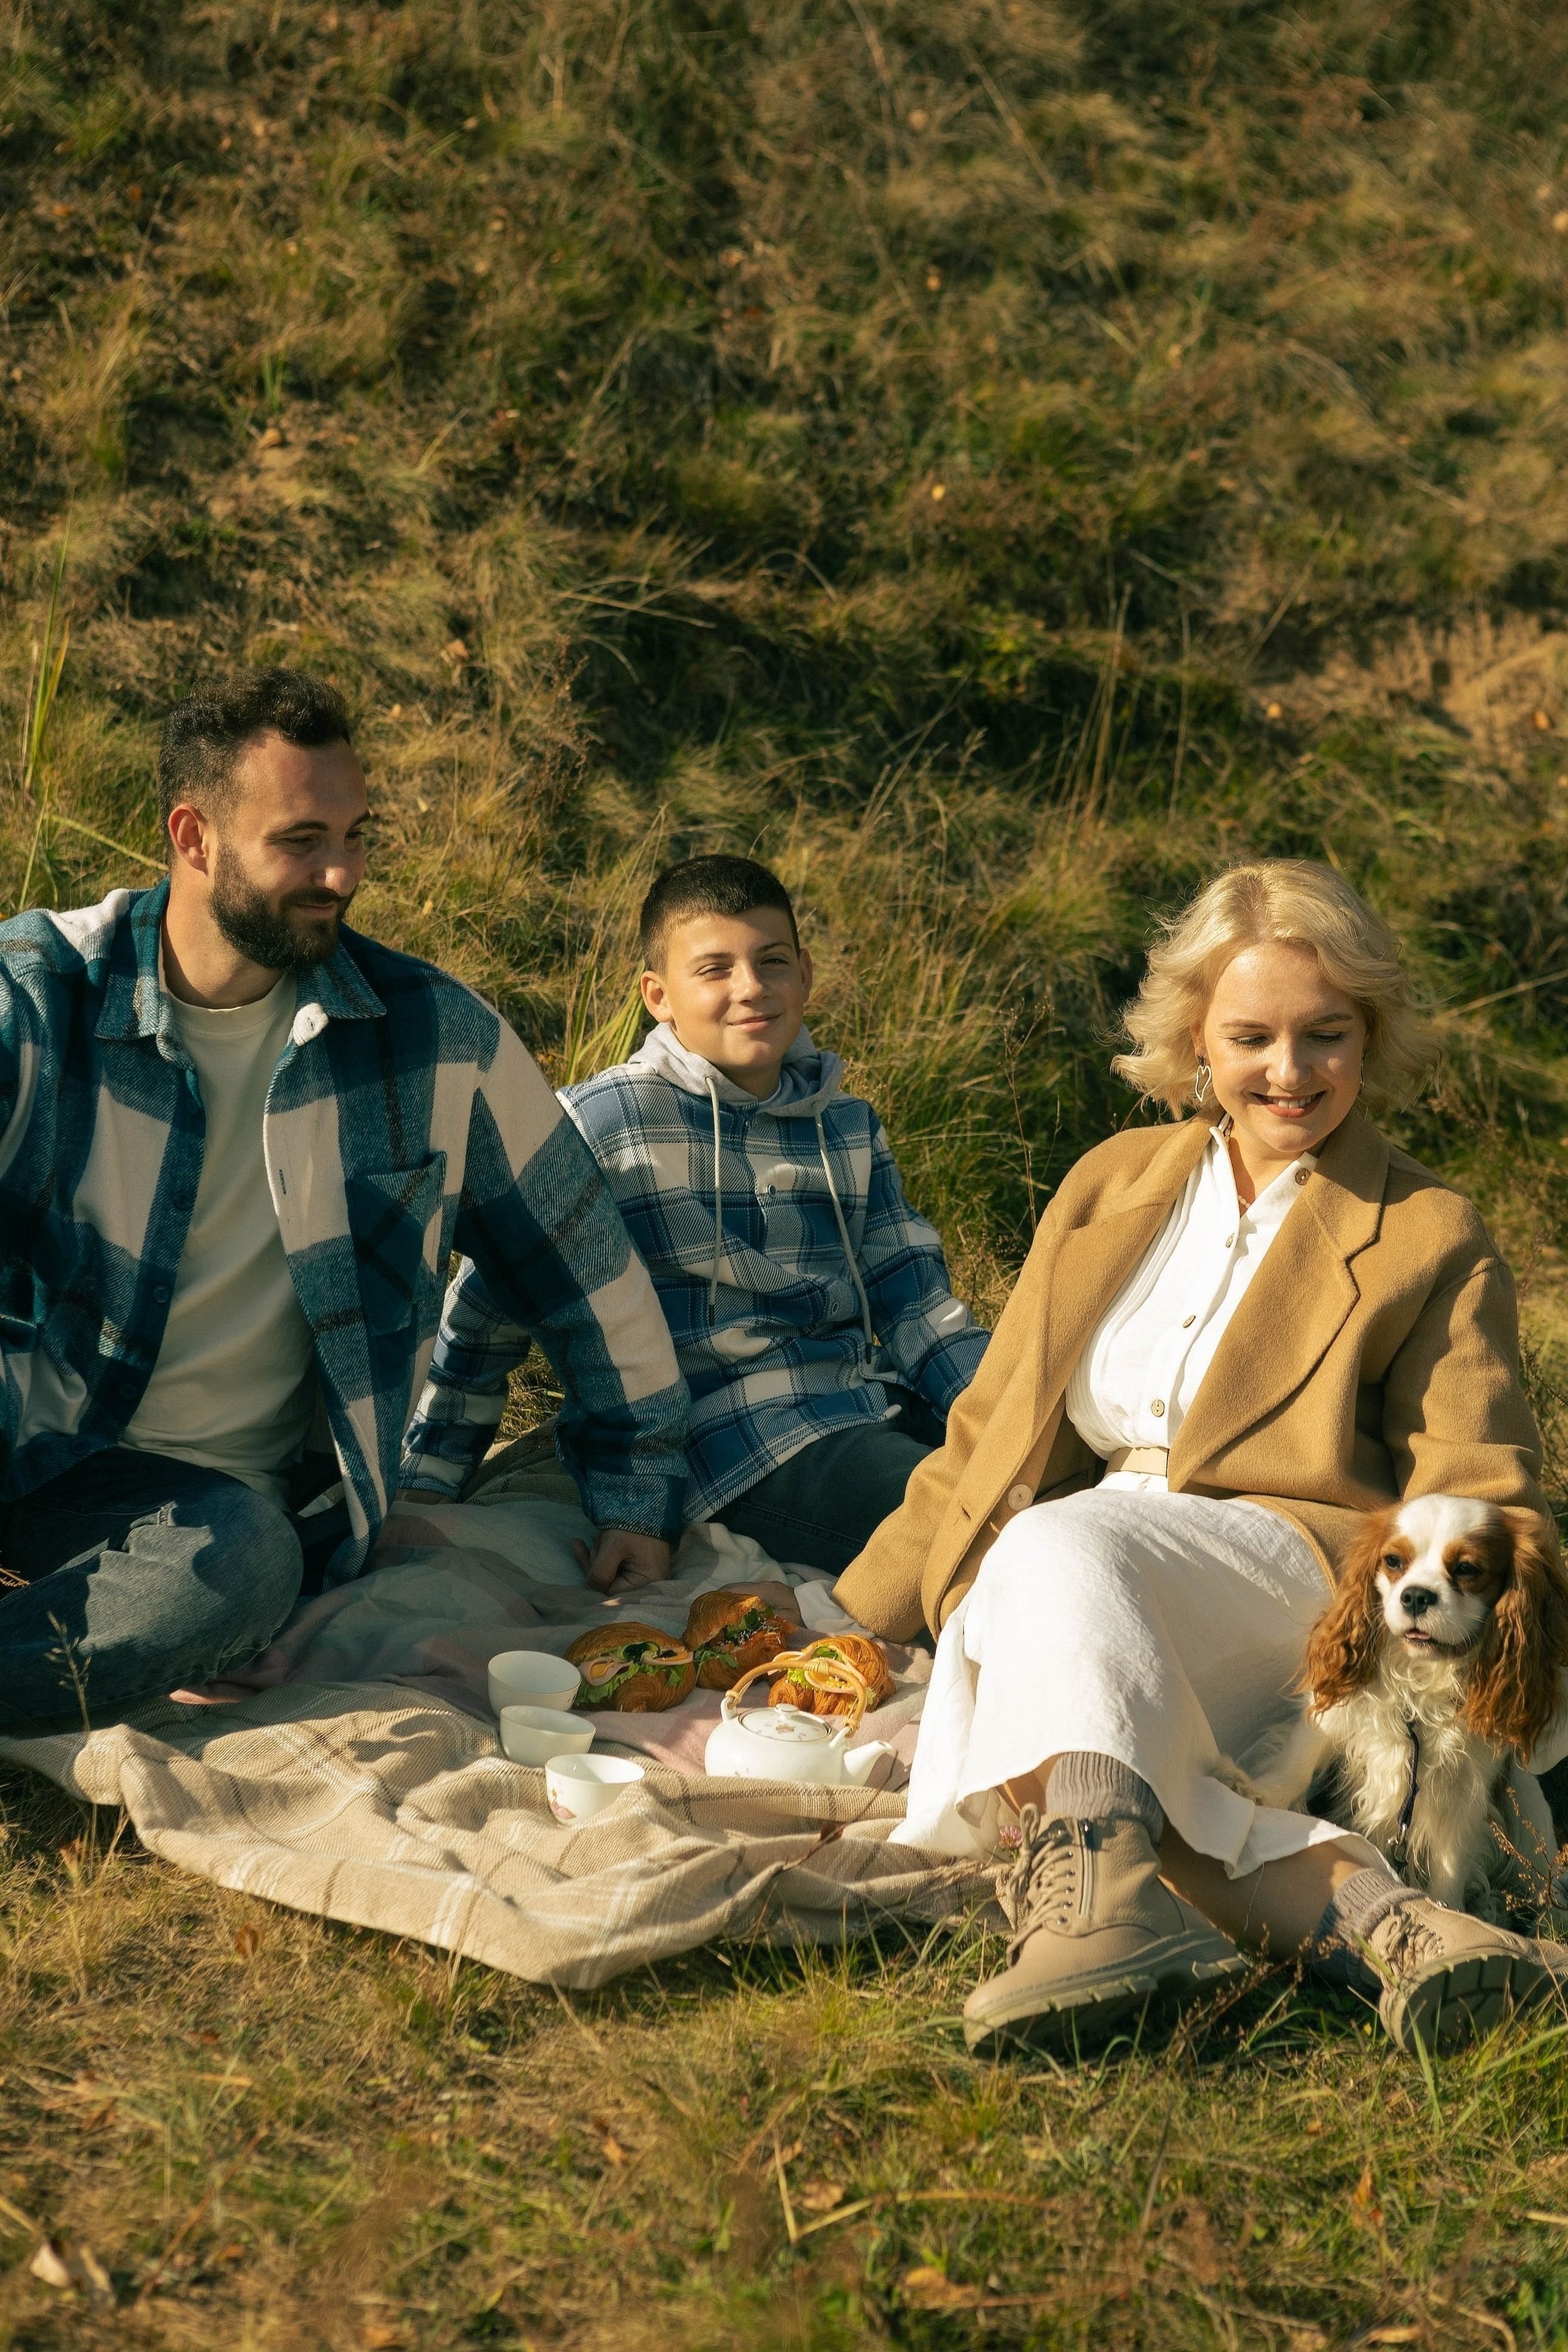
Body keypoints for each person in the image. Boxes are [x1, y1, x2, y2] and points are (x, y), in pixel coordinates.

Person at [835, 859, 1568, 2059]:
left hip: (1288, 1572)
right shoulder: (1108, 1182)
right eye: (1251, 1037)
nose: (1289, 1071)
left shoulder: (1428, 1230)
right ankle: (1407, 1940)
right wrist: (856, 1623)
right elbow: (989, 1428)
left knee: (1051, 1561)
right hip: (1079, 1568)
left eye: (1325, 1034)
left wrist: (1477, 1676)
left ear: (1369, 1035)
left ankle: (1096, 1909)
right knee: (1069, 1644)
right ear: (1194, 1040)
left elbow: (1475, 1485)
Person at [0, 669, 689, 1738]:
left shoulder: (431, 1038)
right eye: (302, 841)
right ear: (193, 837)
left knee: (245, 1570)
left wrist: (638, 1488)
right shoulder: (39, 998)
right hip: (28, 1448)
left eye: (356, 837)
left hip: (208, 1521)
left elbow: (581, 1258)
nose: (342, 873)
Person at [405, 854, 987, 1579]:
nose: (751, 988)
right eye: (714, 970)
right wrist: (424, 1484)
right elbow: (483, 1316)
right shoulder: (601, 1125)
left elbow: (918, 1306)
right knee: (970, 1536)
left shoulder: (846, 1127)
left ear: (805, 972)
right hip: (733, 1445)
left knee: (1044, 1494)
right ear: (659, 996)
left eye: (771, 961)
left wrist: (1003, 1419)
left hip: (866, 1402)